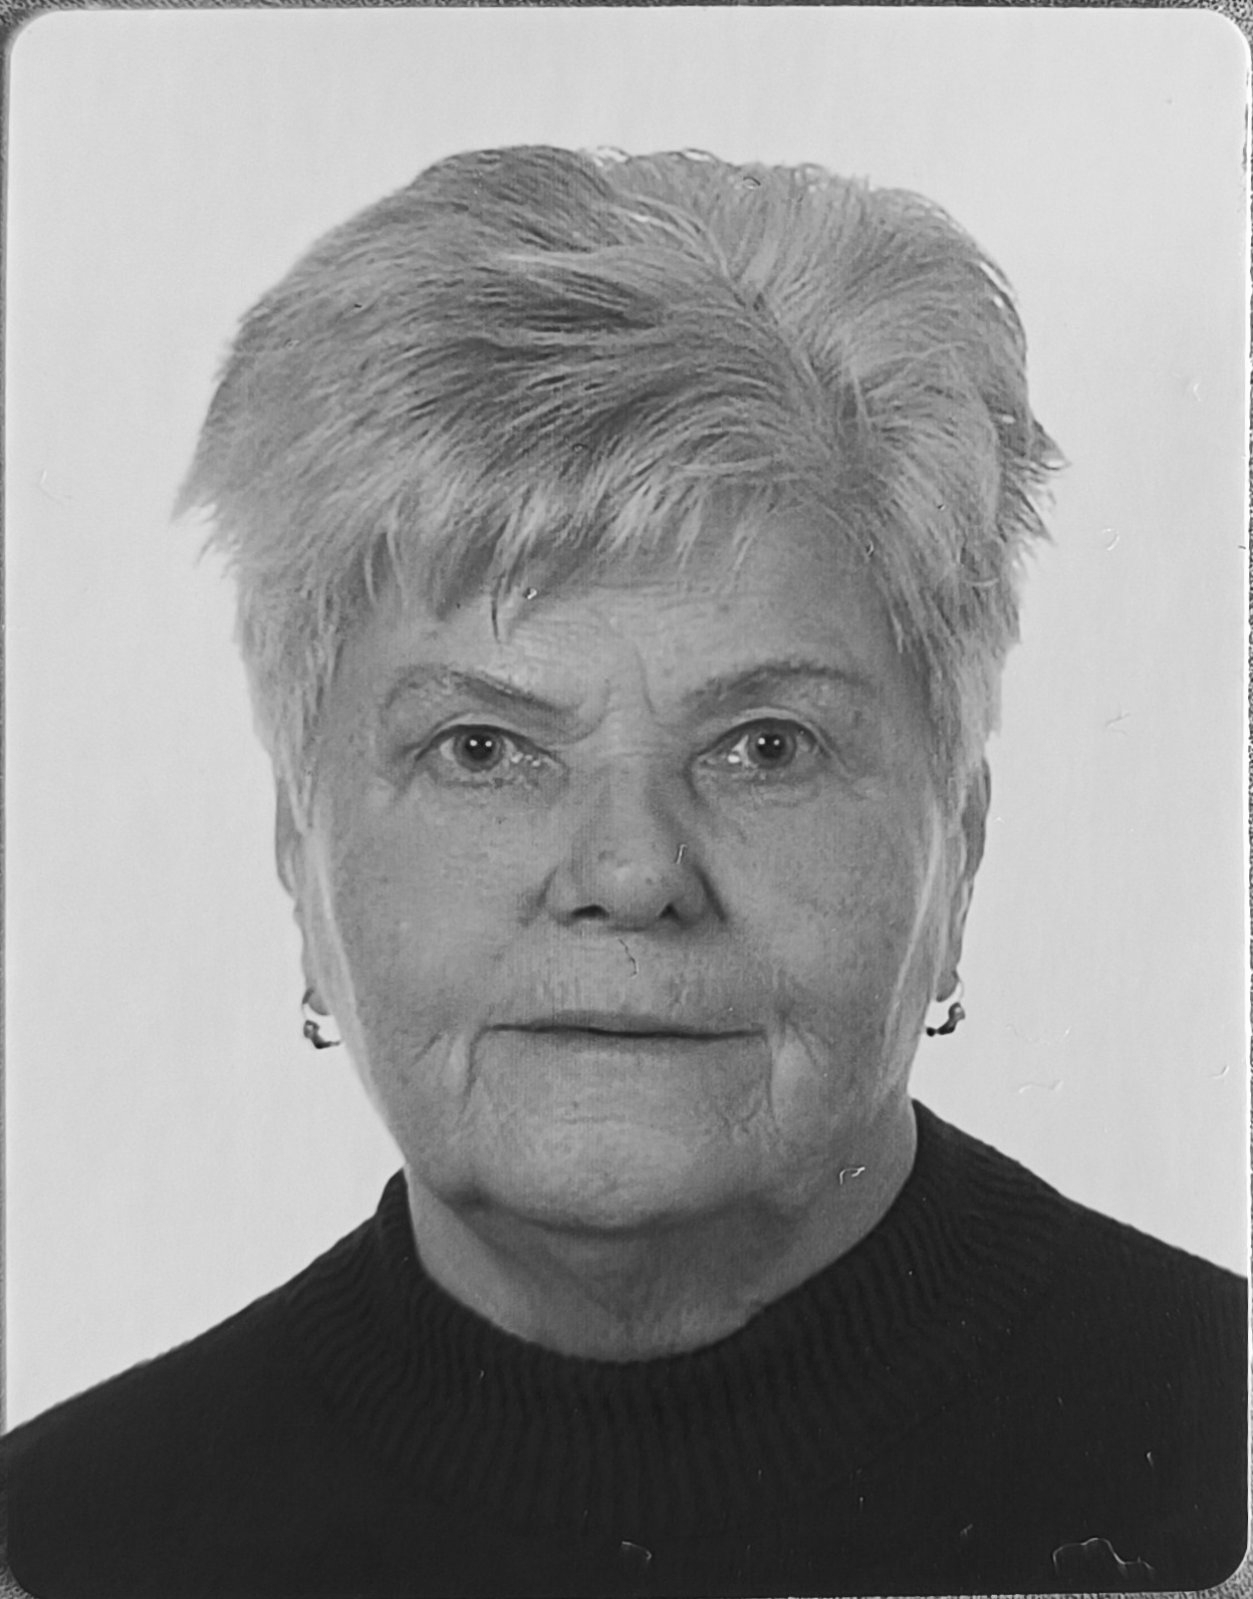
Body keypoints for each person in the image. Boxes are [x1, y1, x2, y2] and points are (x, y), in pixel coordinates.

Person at [3, 145, 1245, 1598]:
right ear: (301, 854)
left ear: (957, 849)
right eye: (481, 748)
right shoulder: (60, 1545)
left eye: (764, 745)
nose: (632, 870)